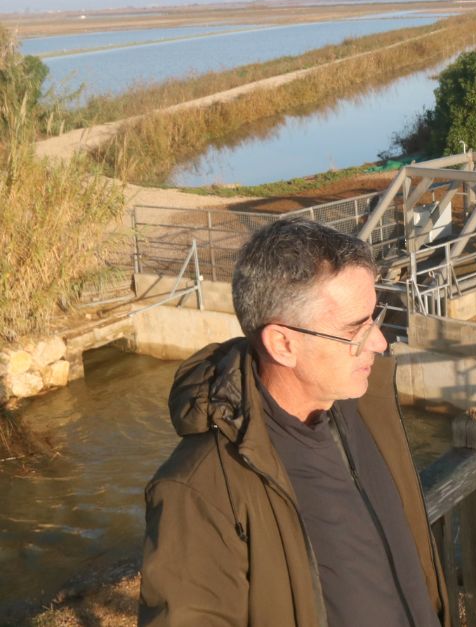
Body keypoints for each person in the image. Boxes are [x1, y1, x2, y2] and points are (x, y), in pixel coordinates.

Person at [139, 219, 448, 626]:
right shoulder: (199, 489)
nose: (379, 342)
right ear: (283, 344)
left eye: (376, 318)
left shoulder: (365, 407)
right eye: (356, 329)